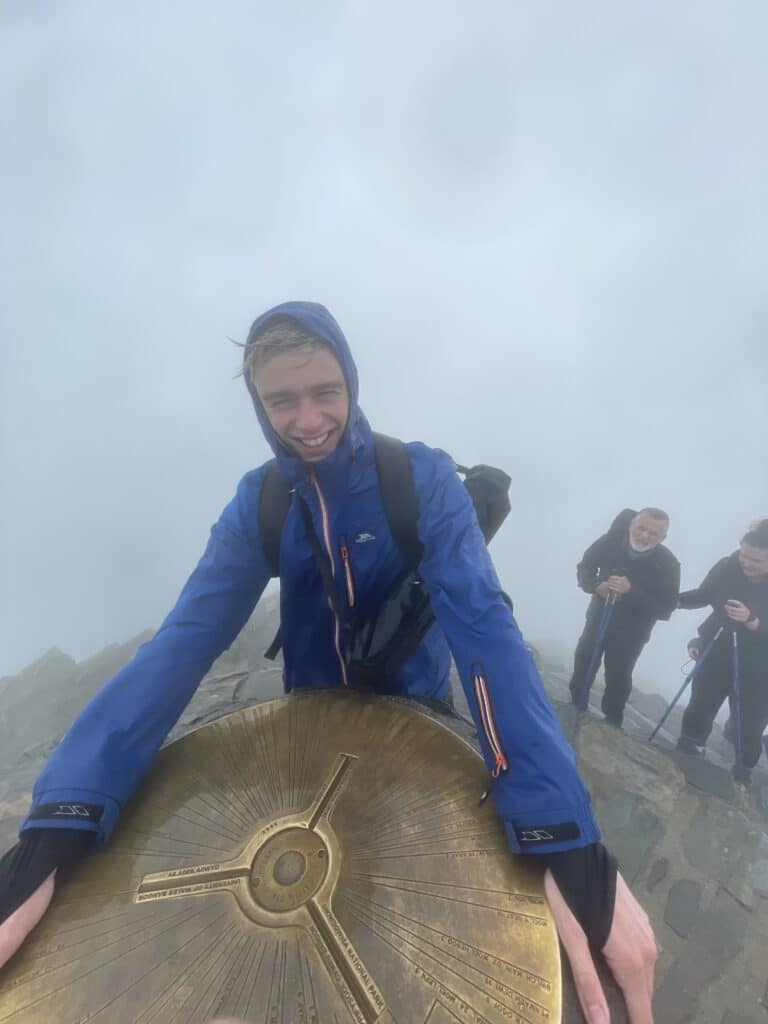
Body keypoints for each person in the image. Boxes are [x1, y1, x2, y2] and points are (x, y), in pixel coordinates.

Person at [0, 303, 656, 1023]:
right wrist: (65, 814)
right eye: (281, 400)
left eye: (325, 392)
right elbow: (184, 642)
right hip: (307, 723)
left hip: (415, 716)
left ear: (351, 382)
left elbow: (485, 628)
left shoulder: (423, 481)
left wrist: (563, 835)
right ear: (258, 403)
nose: (307, 418)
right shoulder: (264, 502)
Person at [676, 519, 768, 785]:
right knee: (701, 704)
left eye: (757, 561)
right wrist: (674, 601)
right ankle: (689, 748)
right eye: (744, 556)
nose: (747, 564)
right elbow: (706, 595)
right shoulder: (728, 567)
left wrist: (753, 622)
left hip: (760, 667)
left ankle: (743, 771)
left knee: (750, 720)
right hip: (717, 649)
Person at [569, 508, 680, 727]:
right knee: (583, 661)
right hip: (598, 618)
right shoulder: (610, 541)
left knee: (618, 676)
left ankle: (612, 721)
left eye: (653, 533)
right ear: (631, 525)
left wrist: (631, 592)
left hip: (632, 632)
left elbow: (666, 608)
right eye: (641, 528)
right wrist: (595, 585)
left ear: (663, 538)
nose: (645, 536)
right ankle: (575, 706)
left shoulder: (668, 564)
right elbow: (585, 568)